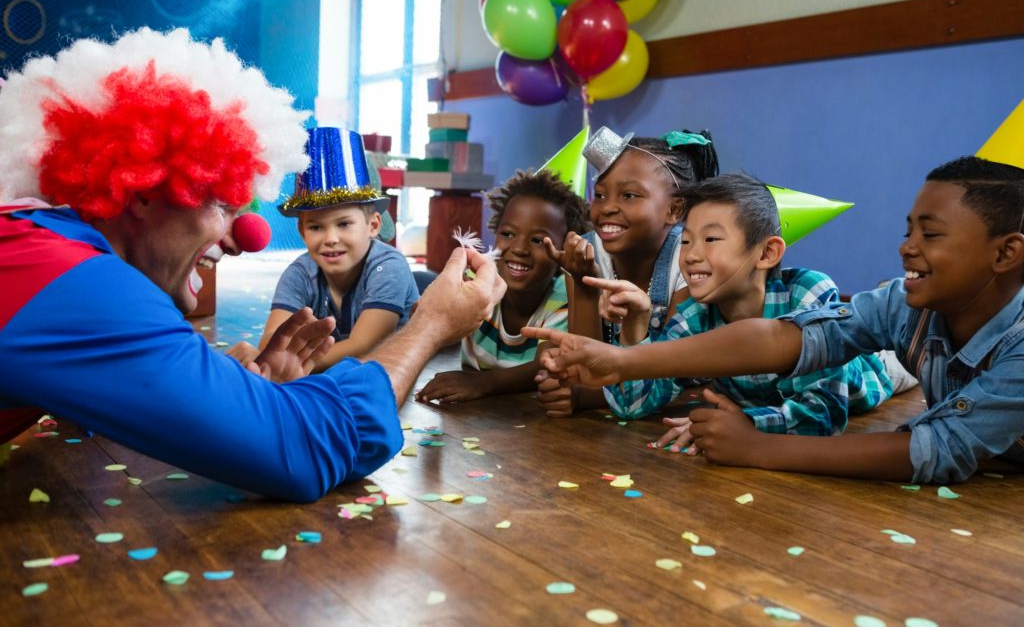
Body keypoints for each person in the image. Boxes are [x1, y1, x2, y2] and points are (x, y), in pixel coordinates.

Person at [0, 28, 504, 501]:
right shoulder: (70, 281)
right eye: (222, 203)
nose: (247, 237)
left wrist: (229, 393)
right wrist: (432, 323)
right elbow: (303, 447)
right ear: (143, 191)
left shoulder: (33, 245)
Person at [526, 156, 1024, 483]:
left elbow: (937, 448)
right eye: (907, 230)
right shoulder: (903, 304)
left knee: (883, 373)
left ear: (1006, 254)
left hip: (872, 382)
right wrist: (623, 357)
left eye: (930, 235)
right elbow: (790, 337)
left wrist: (756, 444)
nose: (905, 247)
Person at [590, 172, 893, 439]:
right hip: (774, 403)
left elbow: (824, 414)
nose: (691, 255)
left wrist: (741, 424)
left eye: (710, 238)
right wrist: (635, 323)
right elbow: (632, 405)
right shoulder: (694, 316)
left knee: (903, 349)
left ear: (767, 253)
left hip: (878, 368)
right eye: (685, 241)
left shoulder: (806, 293)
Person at [538, 127, 719, 416]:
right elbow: (586, 371)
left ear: (675, 210)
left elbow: (667, 376)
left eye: (629, 195)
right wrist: (582, 281)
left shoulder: (690, 262)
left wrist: (585, 397)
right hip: (624, 412)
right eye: (599, 194)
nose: (607, 207)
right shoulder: (586, 251)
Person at [227, 127, 418, 372]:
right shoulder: (299, 273)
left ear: (373, 225)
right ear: (302, 231)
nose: (330, 238)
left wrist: (284, 362)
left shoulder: (389, 267)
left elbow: (365, 345)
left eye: (344, 224)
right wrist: (273, 355)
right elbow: (274, 340)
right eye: (316, 227)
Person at [415, 170, 589, 406]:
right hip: (470, 414)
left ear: (564, 252)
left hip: (530, 419)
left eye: (538, 240)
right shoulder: (479, 284)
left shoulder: (563, 299)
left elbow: (545, 363)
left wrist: (482, 384)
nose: (519, 248)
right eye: (507, 234)